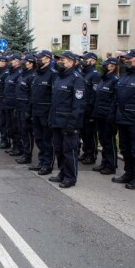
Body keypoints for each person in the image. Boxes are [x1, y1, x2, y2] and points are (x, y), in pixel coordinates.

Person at [48, 51, 86, 188]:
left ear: (71, 62)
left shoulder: (77, 79)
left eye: (63, 60)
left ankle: (70, 177)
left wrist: (73, 123)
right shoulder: (59, 78)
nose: (60, 62)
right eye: (59, 60)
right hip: (57, 121)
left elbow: (79, 105)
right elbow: (55, 101)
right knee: (58, 149)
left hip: (69, 122)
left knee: (69, 151)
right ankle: (62, 173)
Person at [28, 50, 56, 175]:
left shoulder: (52, 74)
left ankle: (47, 164)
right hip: (36, 111)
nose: (37, 60)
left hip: (46, 112)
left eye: (40, 58)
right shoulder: (37, 74)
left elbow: (54, 96)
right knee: (38, 138)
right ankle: (41, 161)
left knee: (47, 140)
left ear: (47, 59)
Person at [112, 49, 135, 190]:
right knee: (125, 148)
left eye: (129, 59)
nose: (125, 61)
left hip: (134, 120)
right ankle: (128, 173)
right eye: (125, 59)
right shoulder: (125, 75)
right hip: (122, 118)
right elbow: (117, 97)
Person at [91, 57, 119, 175]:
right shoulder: (104, 79)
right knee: (102, 140)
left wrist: (112, 116)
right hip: (100, 114)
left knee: (109, 141)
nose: (102, 66)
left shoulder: (114, 80)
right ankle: (104, 162)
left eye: (105, 65)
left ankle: (111, 165)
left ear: (112, 66)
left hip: (108, 116)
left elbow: (115, 100)